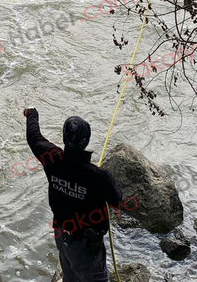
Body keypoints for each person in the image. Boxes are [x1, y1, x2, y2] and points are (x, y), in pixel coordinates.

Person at [23, 107, 123, 282]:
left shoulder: (52, 158)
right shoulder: (99, 177)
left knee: (70, 275)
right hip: (86, 246)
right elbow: (117, 200)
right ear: (86, 141)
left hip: (62, 234)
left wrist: (32, 113)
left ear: (64, 138)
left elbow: (33, 136)